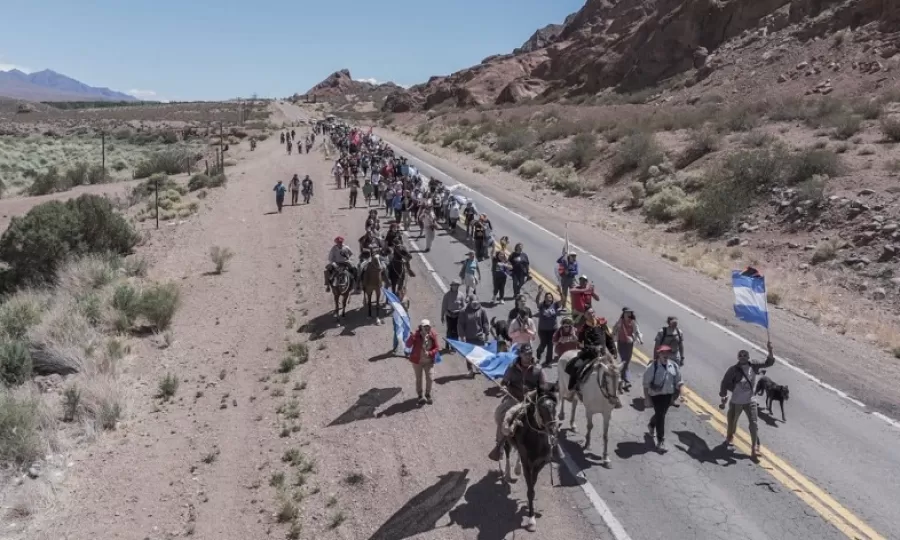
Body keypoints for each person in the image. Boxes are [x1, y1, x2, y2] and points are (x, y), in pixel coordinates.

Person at [718, 342, 775, 460]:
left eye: (745, 355)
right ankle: (730, 436)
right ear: (738, 358)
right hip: (736, 402)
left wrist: (770, 350)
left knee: (754, 423)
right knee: (732, 423)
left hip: (750, 401)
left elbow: (769, 363)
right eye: (741, 355)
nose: (743, 357)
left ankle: (754, 448)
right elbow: (724, 382)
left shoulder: (754, 365)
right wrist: (723, 396)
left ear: (748, 357)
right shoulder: (733, 370)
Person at [488, 344, 545, 461]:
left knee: (548, 418)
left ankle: (550, 445)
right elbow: (504, 382)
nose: (528, 356)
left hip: (531, 401)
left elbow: (543, 386)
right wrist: (503, 387)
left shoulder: (538, 369)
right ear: (520, 355)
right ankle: (499, 445)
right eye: (526, 354)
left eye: (530, 353)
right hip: (514, 399)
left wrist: (535, 393)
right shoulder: (511, 368)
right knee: (502, 417)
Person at [643, 345, 684, 452]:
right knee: (661, 415)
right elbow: (646, 384)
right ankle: (660, 440)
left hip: (668, 395)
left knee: (661, 414)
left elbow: (679, 382)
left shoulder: (674, 366)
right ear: (659, 354)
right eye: (663, 353)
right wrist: (647, 398)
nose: (665, 355)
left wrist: (681, 394)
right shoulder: (653, 366)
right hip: (656, 396)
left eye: (667, 353)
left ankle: (651, 424)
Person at [405, 319, 440, 405]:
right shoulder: (416, 335)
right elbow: (407, 345)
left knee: (430, 378)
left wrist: (430, 353)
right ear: (421, 327)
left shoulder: (433, 334)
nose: (427, 328)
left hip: (429, 361)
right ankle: (420, 396)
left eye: (428, 326)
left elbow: (437, 347)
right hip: (417, 361)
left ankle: (427, 394)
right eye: (425, 327)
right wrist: (411, 337)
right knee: (419, 379)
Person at [612, 307, 643, 391]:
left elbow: (637, 331)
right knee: (623, 361)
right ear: (624, 313)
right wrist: (612, 338)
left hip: (629, 344)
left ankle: (622, 380)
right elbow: (614, 329)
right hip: (621, 343)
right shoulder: (620, 322)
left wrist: (640, 339)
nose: (629, 314)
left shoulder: (633, 322)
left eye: (630, 313)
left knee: (626, 361)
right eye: (627, 313)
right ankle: (626, 380)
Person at [456, 294, 487, 377]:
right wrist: (462, 336)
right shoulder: (463, 311)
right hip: (469, 337)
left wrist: (486, 333)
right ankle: (470, 370)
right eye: (473, 303)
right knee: (469, 355)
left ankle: (478, 367)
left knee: (480, 354)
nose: (475, 305)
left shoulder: (482, 310)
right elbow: (460, 324)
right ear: (469, 302)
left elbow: (485, 323)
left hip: (479, 336)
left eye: (476, 303)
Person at [535, 286, 561, 366]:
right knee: (543, 344)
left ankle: (548, 361)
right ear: (545, 299)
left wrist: (560, 292)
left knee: (550, 345)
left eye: (550, 297)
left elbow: (562, 301)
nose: (548, 298)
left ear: (552, 298)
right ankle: (539, 352)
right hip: (543, 329)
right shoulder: (542, 306)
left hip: (552, 329)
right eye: (547, 297)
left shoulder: (555, 305)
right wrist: (539, 292)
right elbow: (537, 301)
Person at [440, 279, 466, 352]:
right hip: (449, 315)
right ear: (452, 286)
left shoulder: (461, 295)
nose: (456, 287)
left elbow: (464, 306)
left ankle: (454, 346)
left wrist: (460, 311)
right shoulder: (447, 295)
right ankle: (447, 345)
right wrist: (442, 316)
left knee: (456, 331)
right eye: (455, 285)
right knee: (449, 331)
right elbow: (444, 306)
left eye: (457, 285)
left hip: (458, 315)